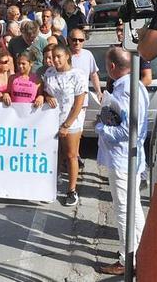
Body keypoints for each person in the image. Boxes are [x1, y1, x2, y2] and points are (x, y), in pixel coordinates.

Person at [96, 47, 149, 276]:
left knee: (124, 210)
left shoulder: (126, 89)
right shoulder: (133, 85)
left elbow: (128, 129)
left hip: (123, 159)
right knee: (133, 207)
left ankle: (127, 259)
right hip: (129, 158)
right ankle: (138, 253)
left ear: (112, 67)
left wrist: (102, 127)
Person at [42, 45, 87, 207]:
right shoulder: (49, 73)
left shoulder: (77, 75)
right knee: (55, 153)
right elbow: (46, 91)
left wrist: (66, 125)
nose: (55, 60)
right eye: (53, 57)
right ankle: (53, 182)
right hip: (52, 119)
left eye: (59, 56)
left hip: (71, 121)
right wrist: (46, 96)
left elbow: (78, 103)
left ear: (67, 56)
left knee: (70, 155)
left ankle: (72, 190)